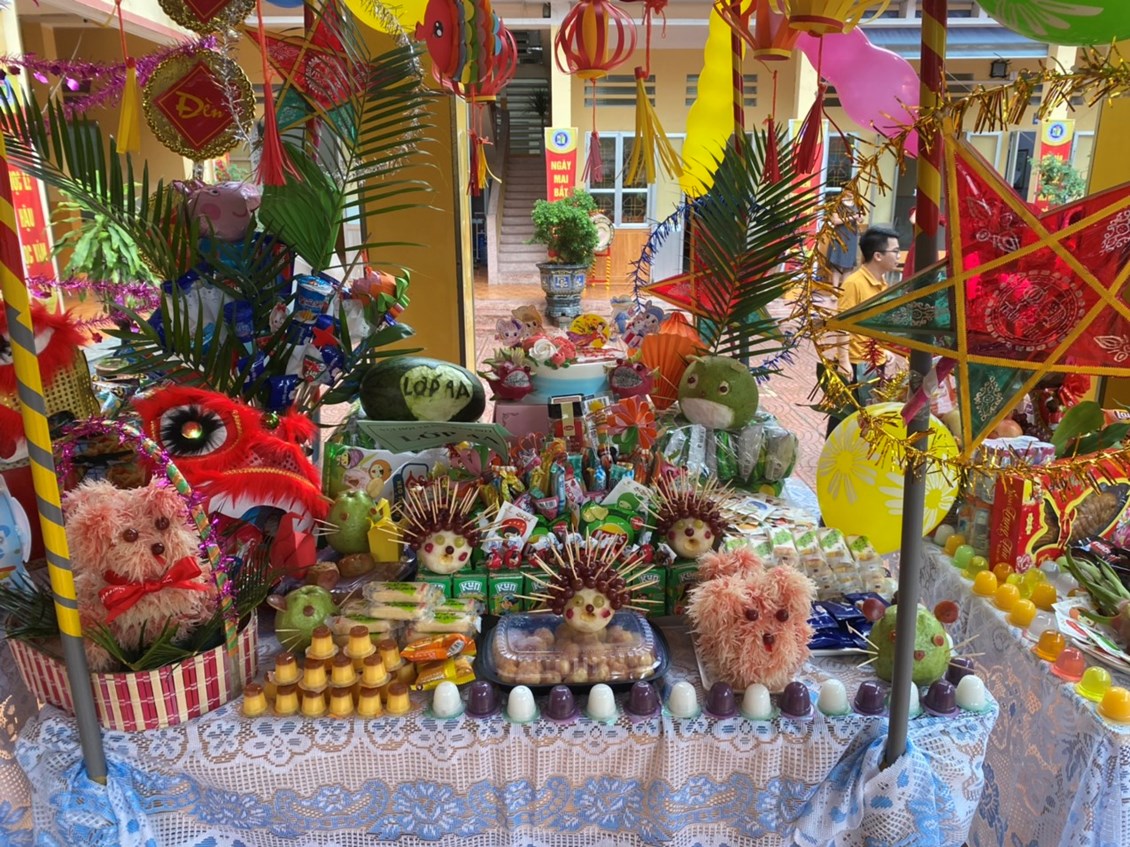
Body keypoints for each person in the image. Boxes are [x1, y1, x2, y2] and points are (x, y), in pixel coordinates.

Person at [834, 225, 901, 407]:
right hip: (856, 364)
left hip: (875, 361)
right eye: (895, 251)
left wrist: (884, 350)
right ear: (878, 256)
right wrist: (844, 361)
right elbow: (842, 325)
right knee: (848, 416)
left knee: (869, 415)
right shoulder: (853, 283)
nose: (898, 256)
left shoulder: (883, 283)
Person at [824, 196, 864, 288]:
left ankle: (844, 289)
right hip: (840, 235)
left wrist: (860, 218)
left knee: (848, 264)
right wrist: (852, 217)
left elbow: (861, 219)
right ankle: (835, 289)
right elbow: (835, 221)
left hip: (852, 236)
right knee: (837, 262)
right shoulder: (837, 204)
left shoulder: (857, 203)